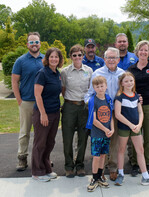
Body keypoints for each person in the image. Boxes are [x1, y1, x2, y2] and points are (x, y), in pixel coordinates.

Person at [84, 47, 125, 181]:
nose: (111, 60)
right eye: (108, 57)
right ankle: (100, 170)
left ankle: (112, 167)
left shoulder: (122, 74)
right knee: (101, 139)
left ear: (118, 59)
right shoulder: (97, 73)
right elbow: (90, 93)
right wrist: (92, 105)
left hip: (117, 112)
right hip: (101, 111)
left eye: (114, 57)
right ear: (104, 59)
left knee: (114, 140)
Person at [114, 72, 149, 186]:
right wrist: (130, 125)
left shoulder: (136, 95)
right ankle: (120, 174)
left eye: (131, 81)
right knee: (121, 150)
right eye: (126, 81)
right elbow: (118, 114)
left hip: (136, 128)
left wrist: (139, 124)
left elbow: (140, 112)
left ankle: (145, 176)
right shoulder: (119, 96)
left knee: (140, 151)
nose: (129, 83)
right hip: (125, 127)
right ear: (121, 83)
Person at [128, 40, 149, 176]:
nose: (143, 52)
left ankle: (147, 163)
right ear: (137, 52)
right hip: (134, 107)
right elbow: (126, 87)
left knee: (148, 137)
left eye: (146, 50)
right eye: (141, 50)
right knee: (135, 136)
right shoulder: (131, 69)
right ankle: (135, 163)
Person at [12, 32, 44, 171]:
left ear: (40, 43)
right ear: (27, 45)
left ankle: (43, 158)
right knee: (25, 132)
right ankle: (22, 158)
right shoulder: (21, 61)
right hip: (27, 102)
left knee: (42, 133)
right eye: (31, 42)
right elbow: (14, 81)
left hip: (43, 103)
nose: (34, 44)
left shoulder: (46, 59)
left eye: (36, 42)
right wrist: (19, 99)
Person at [31, 48, 63, 182]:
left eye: (56, 57)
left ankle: (46, 168)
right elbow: (37, 95)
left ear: (60, 60)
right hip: (43, 113)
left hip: (55, 112)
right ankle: (37, 172)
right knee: (40, 143)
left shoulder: (57, 73)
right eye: (51, 57)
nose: (54, 59)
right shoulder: (42, 73)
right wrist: (43, 114)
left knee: (50, 142)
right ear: (47, 58)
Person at [61, 44, 93, 178]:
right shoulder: (65, 72)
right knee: (67, 138)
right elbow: (63, 90)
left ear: (82, 56)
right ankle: (69, 166)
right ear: (71, 57)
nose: (77, 57)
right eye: (74, 55)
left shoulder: (89, 71)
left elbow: (91, 89)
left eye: (80, 55)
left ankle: (79, 165)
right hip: (69, 106)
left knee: (83, 137)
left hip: (84, 107)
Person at [86, 76, 114, 192]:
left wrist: (112, 129)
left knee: (103, 155)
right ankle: (94, 178)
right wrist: (105, 129)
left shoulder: (108, 99)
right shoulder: (93, 100)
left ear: (106, 86)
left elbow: (111, 116)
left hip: (107, 133)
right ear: (94, 88)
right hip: (97, 133)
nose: (100, 88)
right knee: (96, 156)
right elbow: (94, 120)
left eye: (102, 86)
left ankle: (100, 176)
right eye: (97, 86)